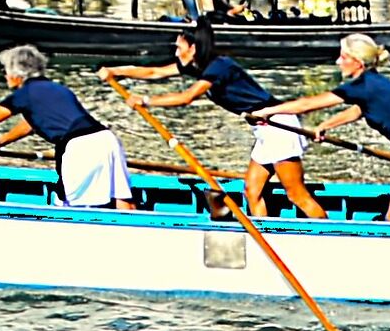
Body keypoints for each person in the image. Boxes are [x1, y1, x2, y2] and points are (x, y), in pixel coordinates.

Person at [101, 24, 326, 220]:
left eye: (179, 48)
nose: (176, 53)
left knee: (295, 193)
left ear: (194, 48)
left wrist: (146, 100)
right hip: (262, 128)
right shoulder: (197, 66)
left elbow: (186, 97)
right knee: (252, 190)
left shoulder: (219, 67)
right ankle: (265, 236)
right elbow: (153, 72)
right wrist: (115, 71)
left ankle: (325, 232)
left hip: (277, 124)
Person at [255, 32, 390, 225]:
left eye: (343, 57)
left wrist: (269, 111)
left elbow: (307, 104)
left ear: (357, 62)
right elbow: (359, 110)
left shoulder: (361, 86)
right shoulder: (375, 82)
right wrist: (327, 125)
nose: (338, 62)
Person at [0, 45, 134, 210]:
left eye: (6, 70)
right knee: (124, 201)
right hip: (107, 139)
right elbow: (31, 124)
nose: (5, 75)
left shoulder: (24, 94)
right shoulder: (58, 88)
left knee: (75, 207)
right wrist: (1, 141)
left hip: (79, 147)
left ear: (17, 75)